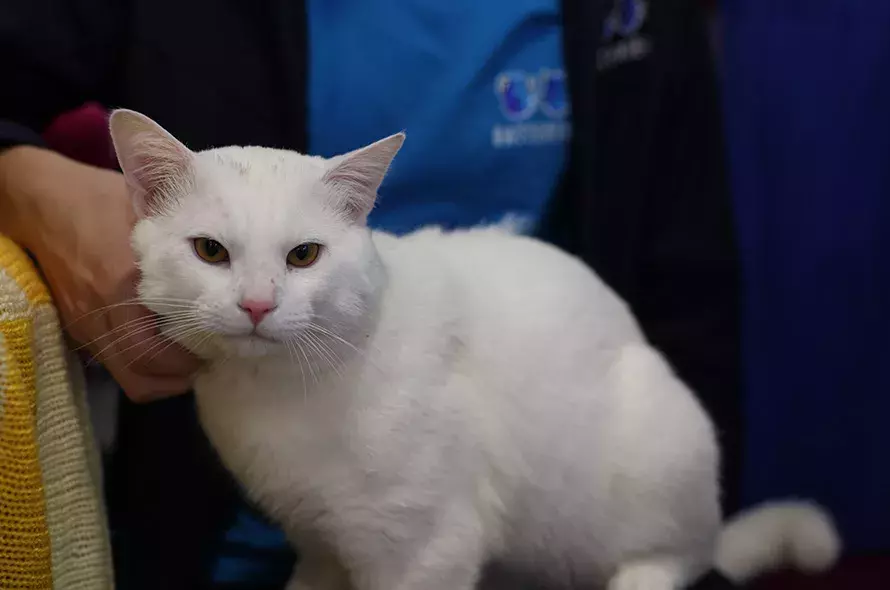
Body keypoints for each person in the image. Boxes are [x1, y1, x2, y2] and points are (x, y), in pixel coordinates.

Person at [0, 0, 740, 588]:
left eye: (301, 256)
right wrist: (28, 185)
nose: (258, 299)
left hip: (575, 519)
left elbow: (693, 282)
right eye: (215, 253)